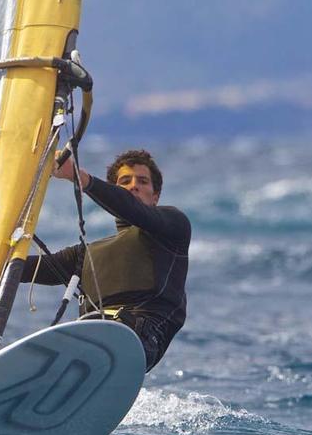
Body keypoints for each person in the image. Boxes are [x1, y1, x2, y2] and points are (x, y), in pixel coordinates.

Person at [22, 149, 190, 372]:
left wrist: (80, 177)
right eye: (124, 181)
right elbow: (24, 269)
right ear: (114, 188)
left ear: (156, 196)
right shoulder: (86, 254)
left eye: (142, 181)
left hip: (138, 339)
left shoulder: (172, 227)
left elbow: (133, 210)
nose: (133, 185)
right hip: (91, 333)